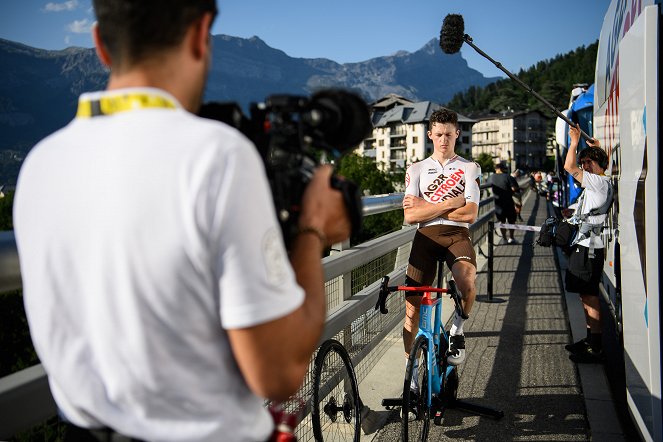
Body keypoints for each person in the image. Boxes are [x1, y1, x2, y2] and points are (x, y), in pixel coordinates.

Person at [12, 1, 351, 440]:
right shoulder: (218, 157)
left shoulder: (40, 164)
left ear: (100, 44)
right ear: (199, 33)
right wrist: (313, 229)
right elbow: (279, 374)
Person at [402, 108, 481, 377]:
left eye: (448, 134)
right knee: (411, 313)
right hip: (425, 237)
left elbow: (470, 213)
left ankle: (457, 329)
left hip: (457, 235)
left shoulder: (470, 168)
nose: (443, 140)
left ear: (457, 133)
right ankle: (411, 374)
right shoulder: (416, 169)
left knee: (467, 282)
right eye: (438, 134)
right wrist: (449, 203)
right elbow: (410, 215)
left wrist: (428, 204)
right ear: (430, 135)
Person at [563, 124, 611, 364]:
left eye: (589, 163)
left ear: (601, 165)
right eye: (584, 163)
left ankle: (596, 345)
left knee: (589, 295)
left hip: (588, 246)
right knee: (585, 294)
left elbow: (568, 167)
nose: (583, 167)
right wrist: (595, 150)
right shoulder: (600, 182)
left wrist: (574, 142)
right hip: (587, 245)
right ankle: (591, 339)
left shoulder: (599, 183)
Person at [488, 162, 520, 244]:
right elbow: (514, 189)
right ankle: (511, 238)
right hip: (508, 202)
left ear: (496, 169)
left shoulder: (491, 178)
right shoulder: (508, 177)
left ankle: (504, 239)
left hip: (497, 203)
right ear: (503, 169)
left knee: (502, 222)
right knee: (511, 221)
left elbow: (488, 189)